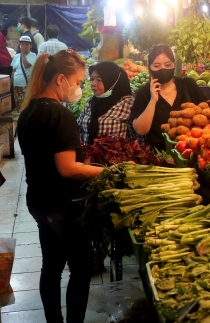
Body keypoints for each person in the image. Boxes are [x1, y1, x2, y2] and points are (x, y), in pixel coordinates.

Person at [17, 49, 103, 323]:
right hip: (63, 205)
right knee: (80, 268)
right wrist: (102, 172)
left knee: (51, 267)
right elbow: (66, 168)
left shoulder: (28, 110)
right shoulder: (60, 115)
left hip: (39, 201)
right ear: (60, 80)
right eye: (78, 82)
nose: (79, 88)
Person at [131, 44, 206, 151]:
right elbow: (140, 130)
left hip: (191, 150)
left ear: (174, 65)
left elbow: (207, 114)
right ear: (149, 68)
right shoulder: (144, 93)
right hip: (159, 155)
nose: (163, 69)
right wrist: (153, 100)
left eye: (167, 65)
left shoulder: (188, 85)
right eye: (156, 66)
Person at [77, 61, 135, 145]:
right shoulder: (90, 102)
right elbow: (78, 127)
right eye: (92, 79)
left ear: (111, 81)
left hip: (115, 157)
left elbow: (137, 137)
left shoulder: (127, 103)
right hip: (88, 156)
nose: (94, 84)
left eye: (99, 80)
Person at [11, 36, 37, 112]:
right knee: (18, 106)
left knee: (25, 107)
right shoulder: (16, 56)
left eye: (26, 44)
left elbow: (26, 65)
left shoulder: (33, 55)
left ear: (30, 45)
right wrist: (10, 84)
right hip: (16, 86)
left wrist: (23, 54)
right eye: (22, 44)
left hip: (25, 86)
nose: (24, 47)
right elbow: (13, 70)